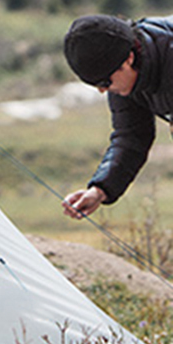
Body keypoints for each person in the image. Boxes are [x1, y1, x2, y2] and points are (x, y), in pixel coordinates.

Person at [62, 13, 173, 220]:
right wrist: (100, 189)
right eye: (96, 85)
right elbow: (132, 137)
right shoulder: (124, 75)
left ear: (129, 58)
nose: (103, 91)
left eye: (105, 83)